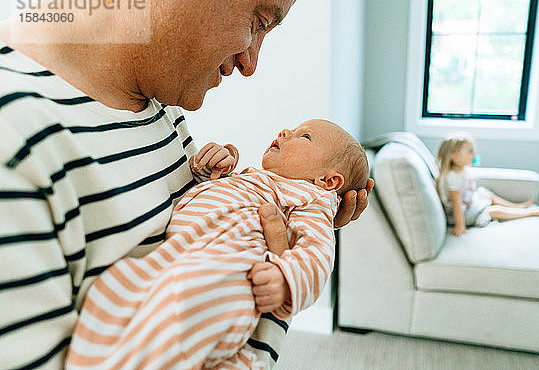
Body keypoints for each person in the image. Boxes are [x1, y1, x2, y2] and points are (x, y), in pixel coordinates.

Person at [0, 0, 374, 368]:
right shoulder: (15, 139)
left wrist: (289, 236)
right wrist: (275, 295)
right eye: (257, 22)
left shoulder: (162, 110)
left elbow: (207, 259)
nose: (250, 64)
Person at [66, 119, 369, 369]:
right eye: (290, 129)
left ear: (329, 182)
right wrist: (211, 170)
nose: (284, 133)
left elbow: (318, 252)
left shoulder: (312, 200)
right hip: (177, 258)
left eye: (304, 136)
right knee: (115, 292)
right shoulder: (257, 180)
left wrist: (285, 279)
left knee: (176, 321)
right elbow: (209, 197)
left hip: (227, 269)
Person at [435, 132, 539, 237]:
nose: (474, 154)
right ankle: (530, 212)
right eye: (470, 151)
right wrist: (460, 225)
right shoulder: (453, 177)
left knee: (485, 193)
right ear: (454, 156)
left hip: (468, 204)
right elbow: (456, 203)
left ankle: (517, 206)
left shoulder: (459, 172)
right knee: (492, 211)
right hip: (462, 215)